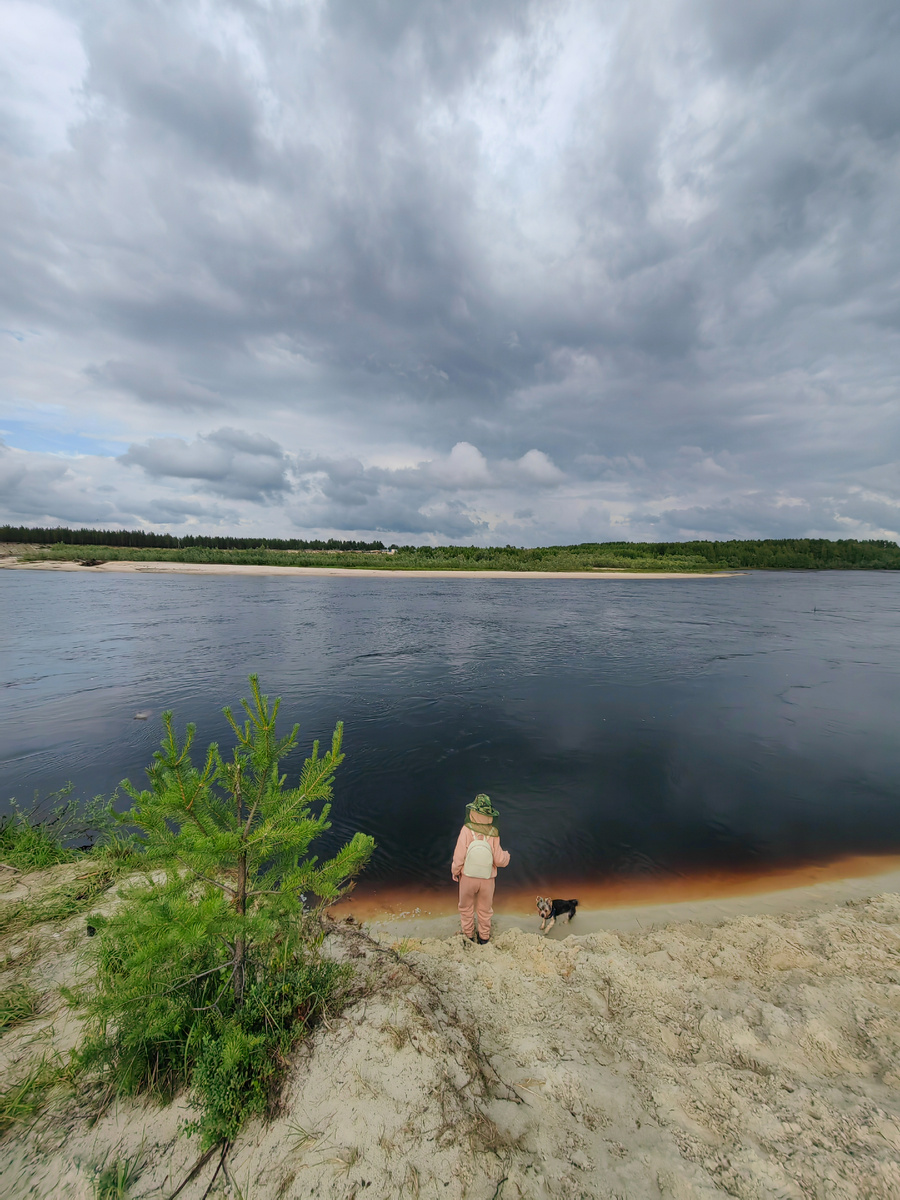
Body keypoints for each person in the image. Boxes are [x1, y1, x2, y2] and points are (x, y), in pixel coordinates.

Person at [451, 794, 510, 944]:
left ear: (472, 812)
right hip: (487, 879)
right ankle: (484, 938)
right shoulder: (493, 832)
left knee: (465, 908)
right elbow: (498, 859)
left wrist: (455, 871)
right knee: (485, 910)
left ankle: (469, 935)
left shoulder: (466, 830)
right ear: (490, 815)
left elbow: (459, 856)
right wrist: (506, 856)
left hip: (467, 877)